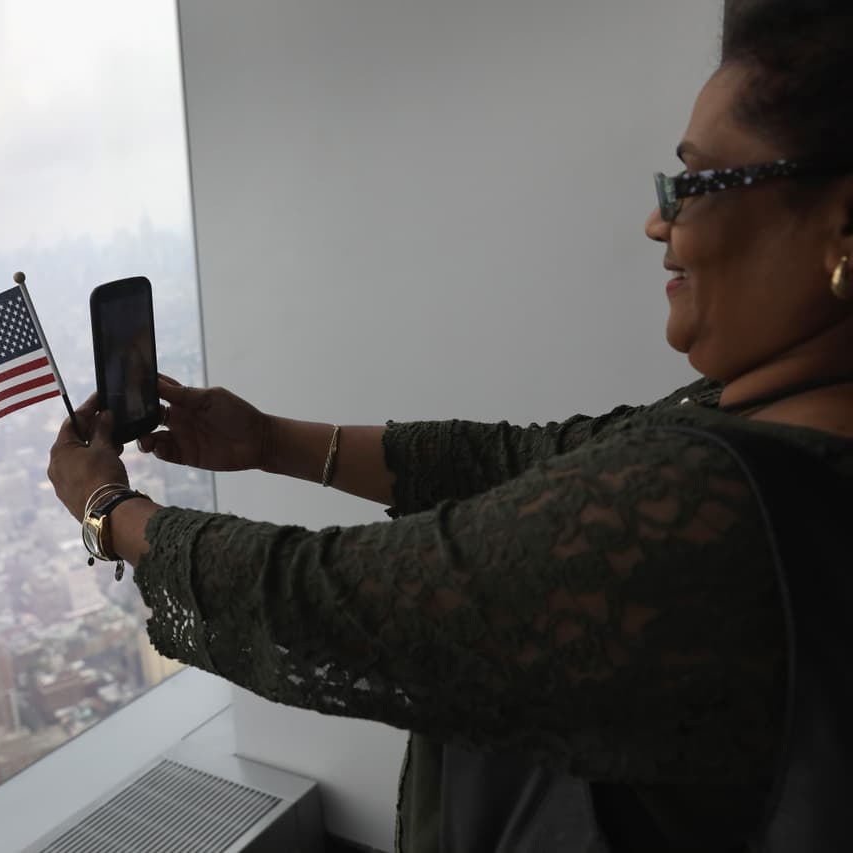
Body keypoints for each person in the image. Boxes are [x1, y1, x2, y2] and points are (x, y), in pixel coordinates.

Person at [47, 3, 853, 850]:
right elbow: (523, 461)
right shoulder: (753, 419)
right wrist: (270, 441)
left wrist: (109, 510)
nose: (661, 221)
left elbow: (332, 601)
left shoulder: (724, 504)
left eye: (693, 184)